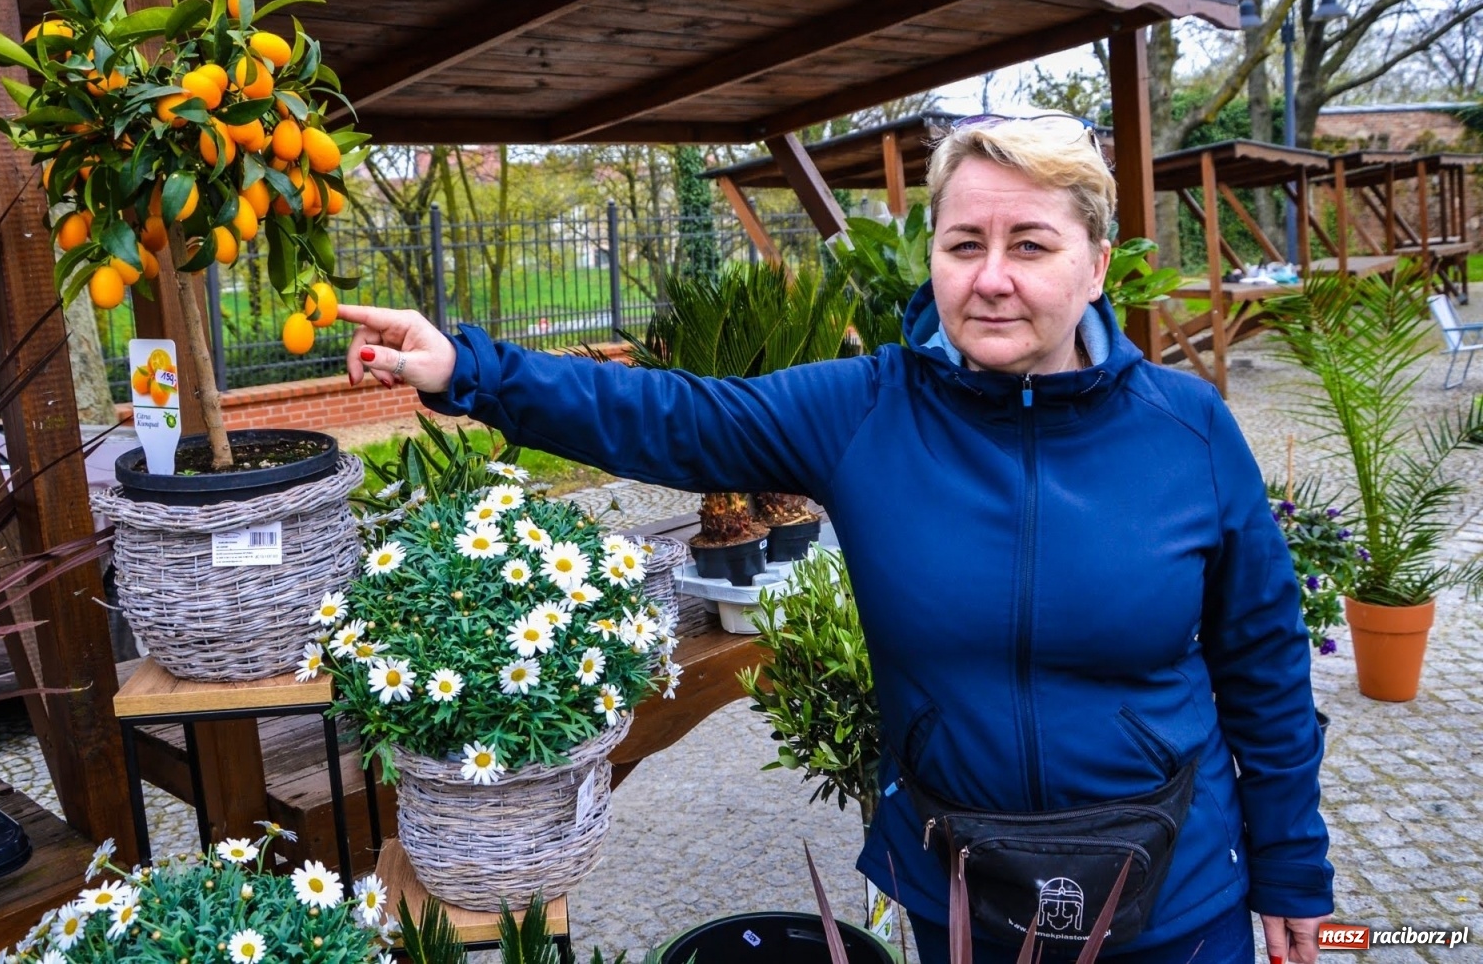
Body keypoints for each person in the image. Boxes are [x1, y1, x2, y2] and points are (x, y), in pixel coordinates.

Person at [338, 115, 1333, 963]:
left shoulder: (1187, 430)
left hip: (1175, 895)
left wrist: (1291, 871)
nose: (990, 279)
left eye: (1029, 244)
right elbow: (669, 414)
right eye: (961, 244)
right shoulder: (867, 410)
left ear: (1096, 263)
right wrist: (466, 368)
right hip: (963, 895)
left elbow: (1263, 663)